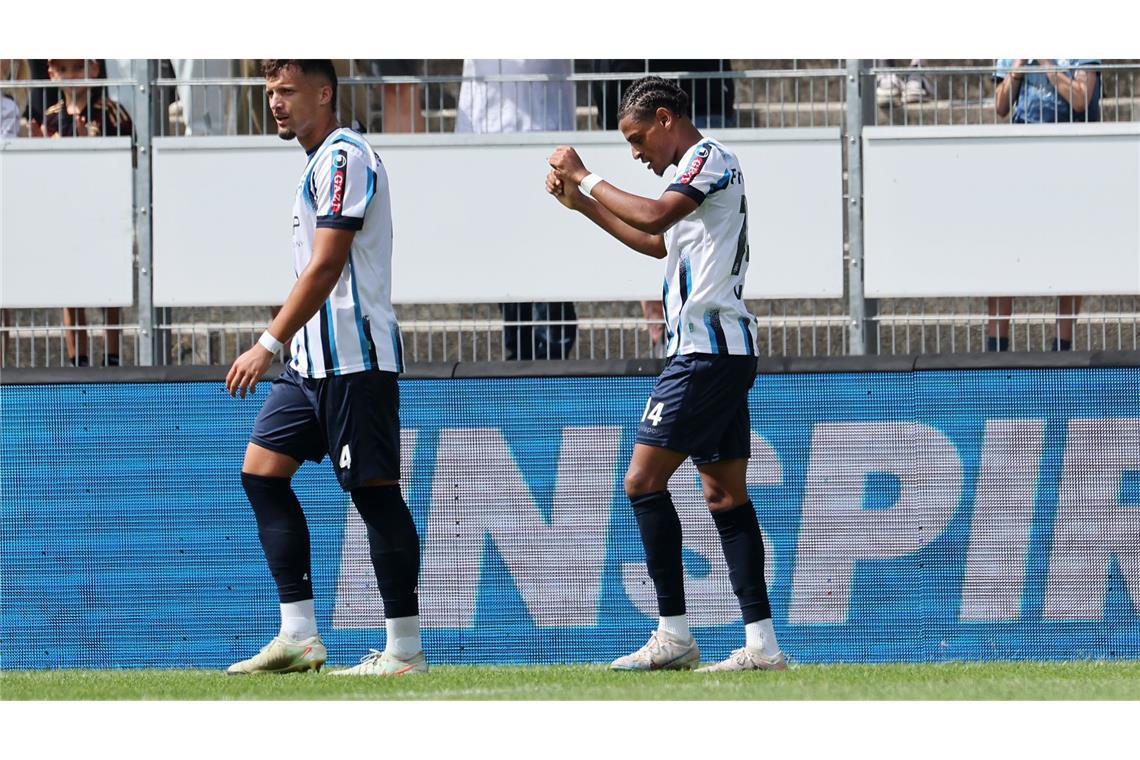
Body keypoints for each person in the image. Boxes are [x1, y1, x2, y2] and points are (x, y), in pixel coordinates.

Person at [546, 76, 785, 672]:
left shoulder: (708, 157)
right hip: (720, 352)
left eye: (637, 139)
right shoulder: (692, 177)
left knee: (641, 481)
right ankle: (762, 645)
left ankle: (673, 634)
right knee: (724, 494)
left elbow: (653, 217)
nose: (636, 153)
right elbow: (657, 241)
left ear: (664, 118)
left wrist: (585, 176)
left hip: (705, 352)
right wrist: (583, 206)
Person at [225, 60, 424, 677]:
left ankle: (404, 650)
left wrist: (268, 342)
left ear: (324, 92)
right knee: (261, 474)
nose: (275, 102)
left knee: (374, 495)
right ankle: (299, 635)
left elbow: (328, 262)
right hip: (309, 366)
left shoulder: (344, 156)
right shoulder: (317, 162)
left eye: (287, 91)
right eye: (269, 92)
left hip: (353, 361)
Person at [458, 59, 578, 359]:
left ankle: (553, 347)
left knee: (548, 249)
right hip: (488, 140)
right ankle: (518, 350)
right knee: (505, 251)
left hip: (545, 134)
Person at [987, 58, 1101, 352]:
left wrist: (1047, 64)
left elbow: (1081, 99)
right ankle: (996, 348)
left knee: (1071, 251)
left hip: (1072, 158)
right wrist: (1018, 67)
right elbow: (1000, 106)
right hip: (1022, 157)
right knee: (1005, 250)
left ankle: (1062, 348)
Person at [41, 59, 131, 366]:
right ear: (52, 74)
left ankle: (112, 360)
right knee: (71, 291)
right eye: (64, 69)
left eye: (78, 68)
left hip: (104, 212)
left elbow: (129, 155)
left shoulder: (111, 111)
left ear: (93, 70)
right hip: (64, 214)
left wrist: (91, 143)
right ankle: (76, 362)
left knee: (110, 289)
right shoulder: (51, 115)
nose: (71, 76)